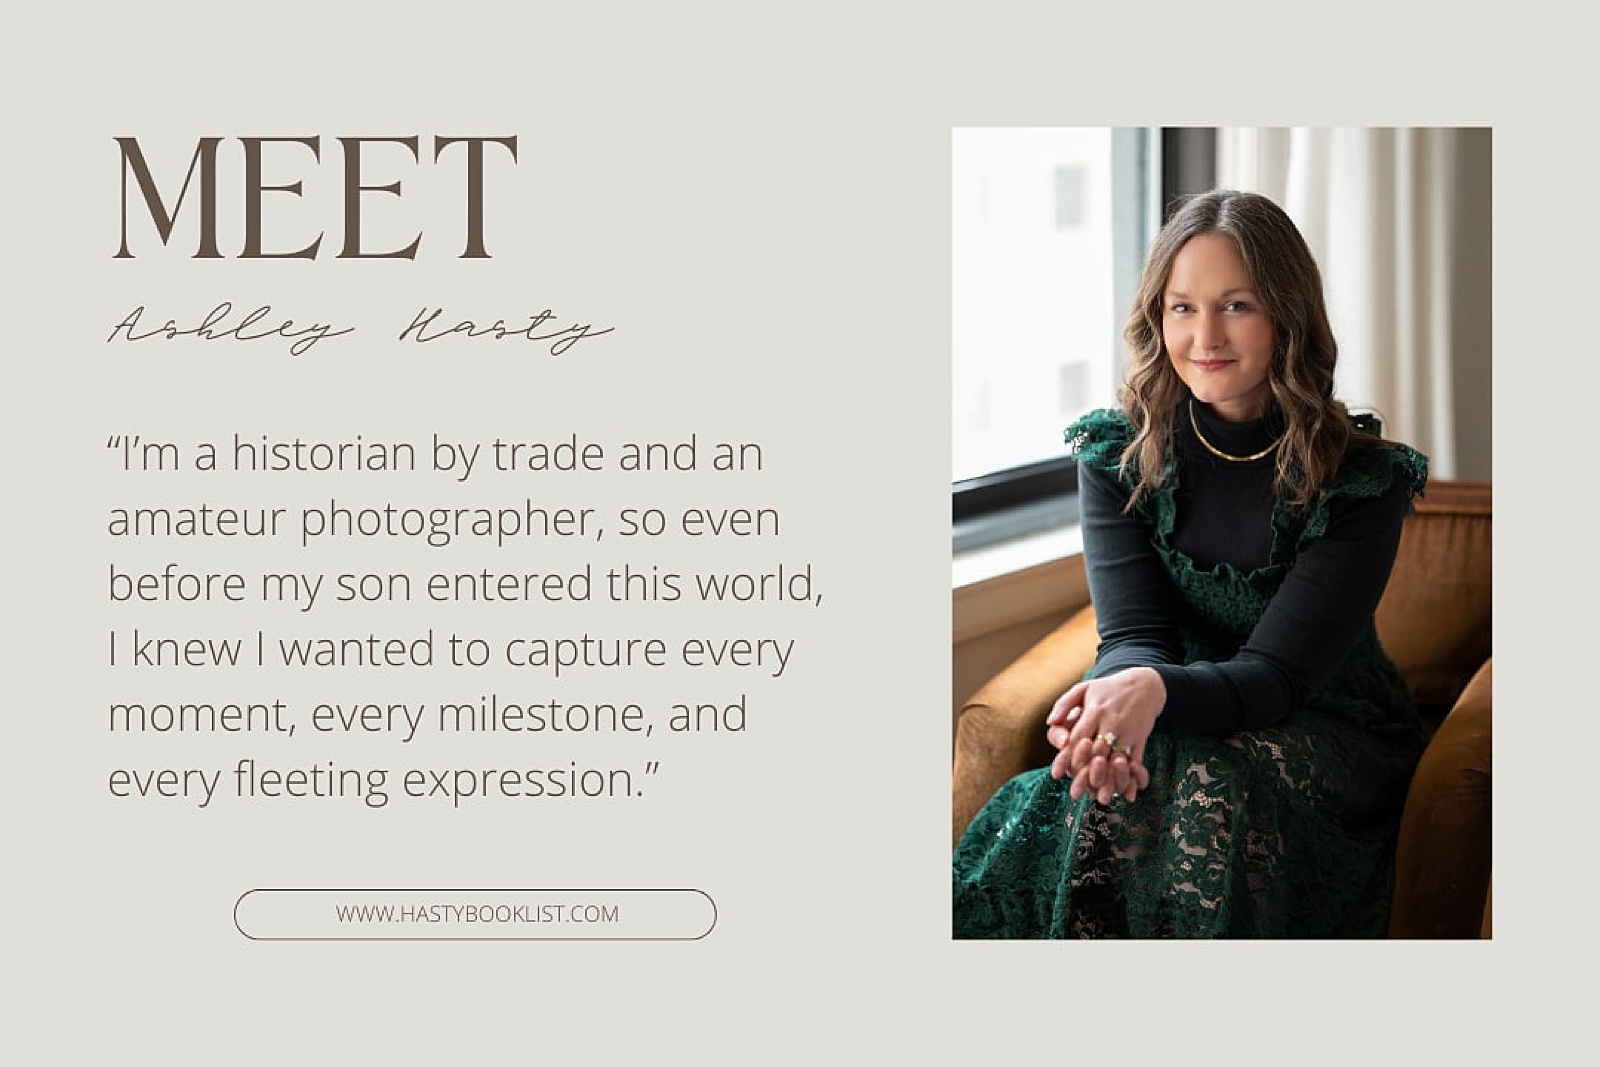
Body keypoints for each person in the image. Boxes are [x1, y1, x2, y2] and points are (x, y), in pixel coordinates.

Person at [952, 189, 1429, 938]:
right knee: (1079, 790)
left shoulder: (1365, 480)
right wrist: (1121, 708)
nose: (1204, 334)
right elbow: (1134, 629)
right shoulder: (1117, 452)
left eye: (1236, 305)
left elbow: (1276, 678)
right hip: (1170, 696)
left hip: (1323, 721)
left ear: (1287, 315)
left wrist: (1147, 694)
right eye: (1181, 307)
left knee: (1210, 778)